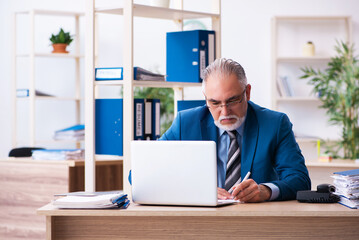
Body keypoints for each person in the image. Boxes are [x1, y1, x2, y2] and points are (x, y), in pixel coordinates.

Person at [160, 58, 311, 202]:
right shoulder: (185, 123)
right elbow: (143, 174)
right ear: (206, 99)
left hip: (254, 220)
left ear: (248, 92)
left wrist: (265, 191)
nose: (225, 112)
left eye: (232, 101)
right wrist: (195, 190)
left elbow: (300, 180)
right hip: (200, 219)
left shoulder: (275, 124)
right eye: (215, 103)